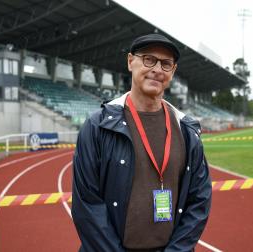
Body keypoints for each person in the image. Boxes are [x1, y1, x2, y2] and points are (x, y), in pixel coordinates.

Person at [72, 33, 212, 252]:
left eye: (166, 64)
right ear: (130, 61)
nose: (157, 69)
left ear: (172, 72)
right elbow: (87, 205)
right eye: (149, 59)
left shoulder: (187, 130)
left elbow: (199, 199)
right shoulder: (97, 126)